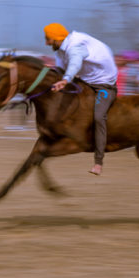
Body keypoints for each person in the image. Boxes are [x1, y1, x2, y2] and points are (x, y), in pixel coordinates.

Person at [43, 22, 118, 176]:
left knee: (98, 117)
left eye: (48, 39)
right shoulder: (60, 50)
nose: (46, 43)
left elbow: (75, 63)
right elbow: (60, 70)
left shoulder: (75, 46)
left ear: (57, 38)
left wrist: (65, 80)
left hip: (104, 84)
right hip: (86, 80)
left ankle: (98, 161)